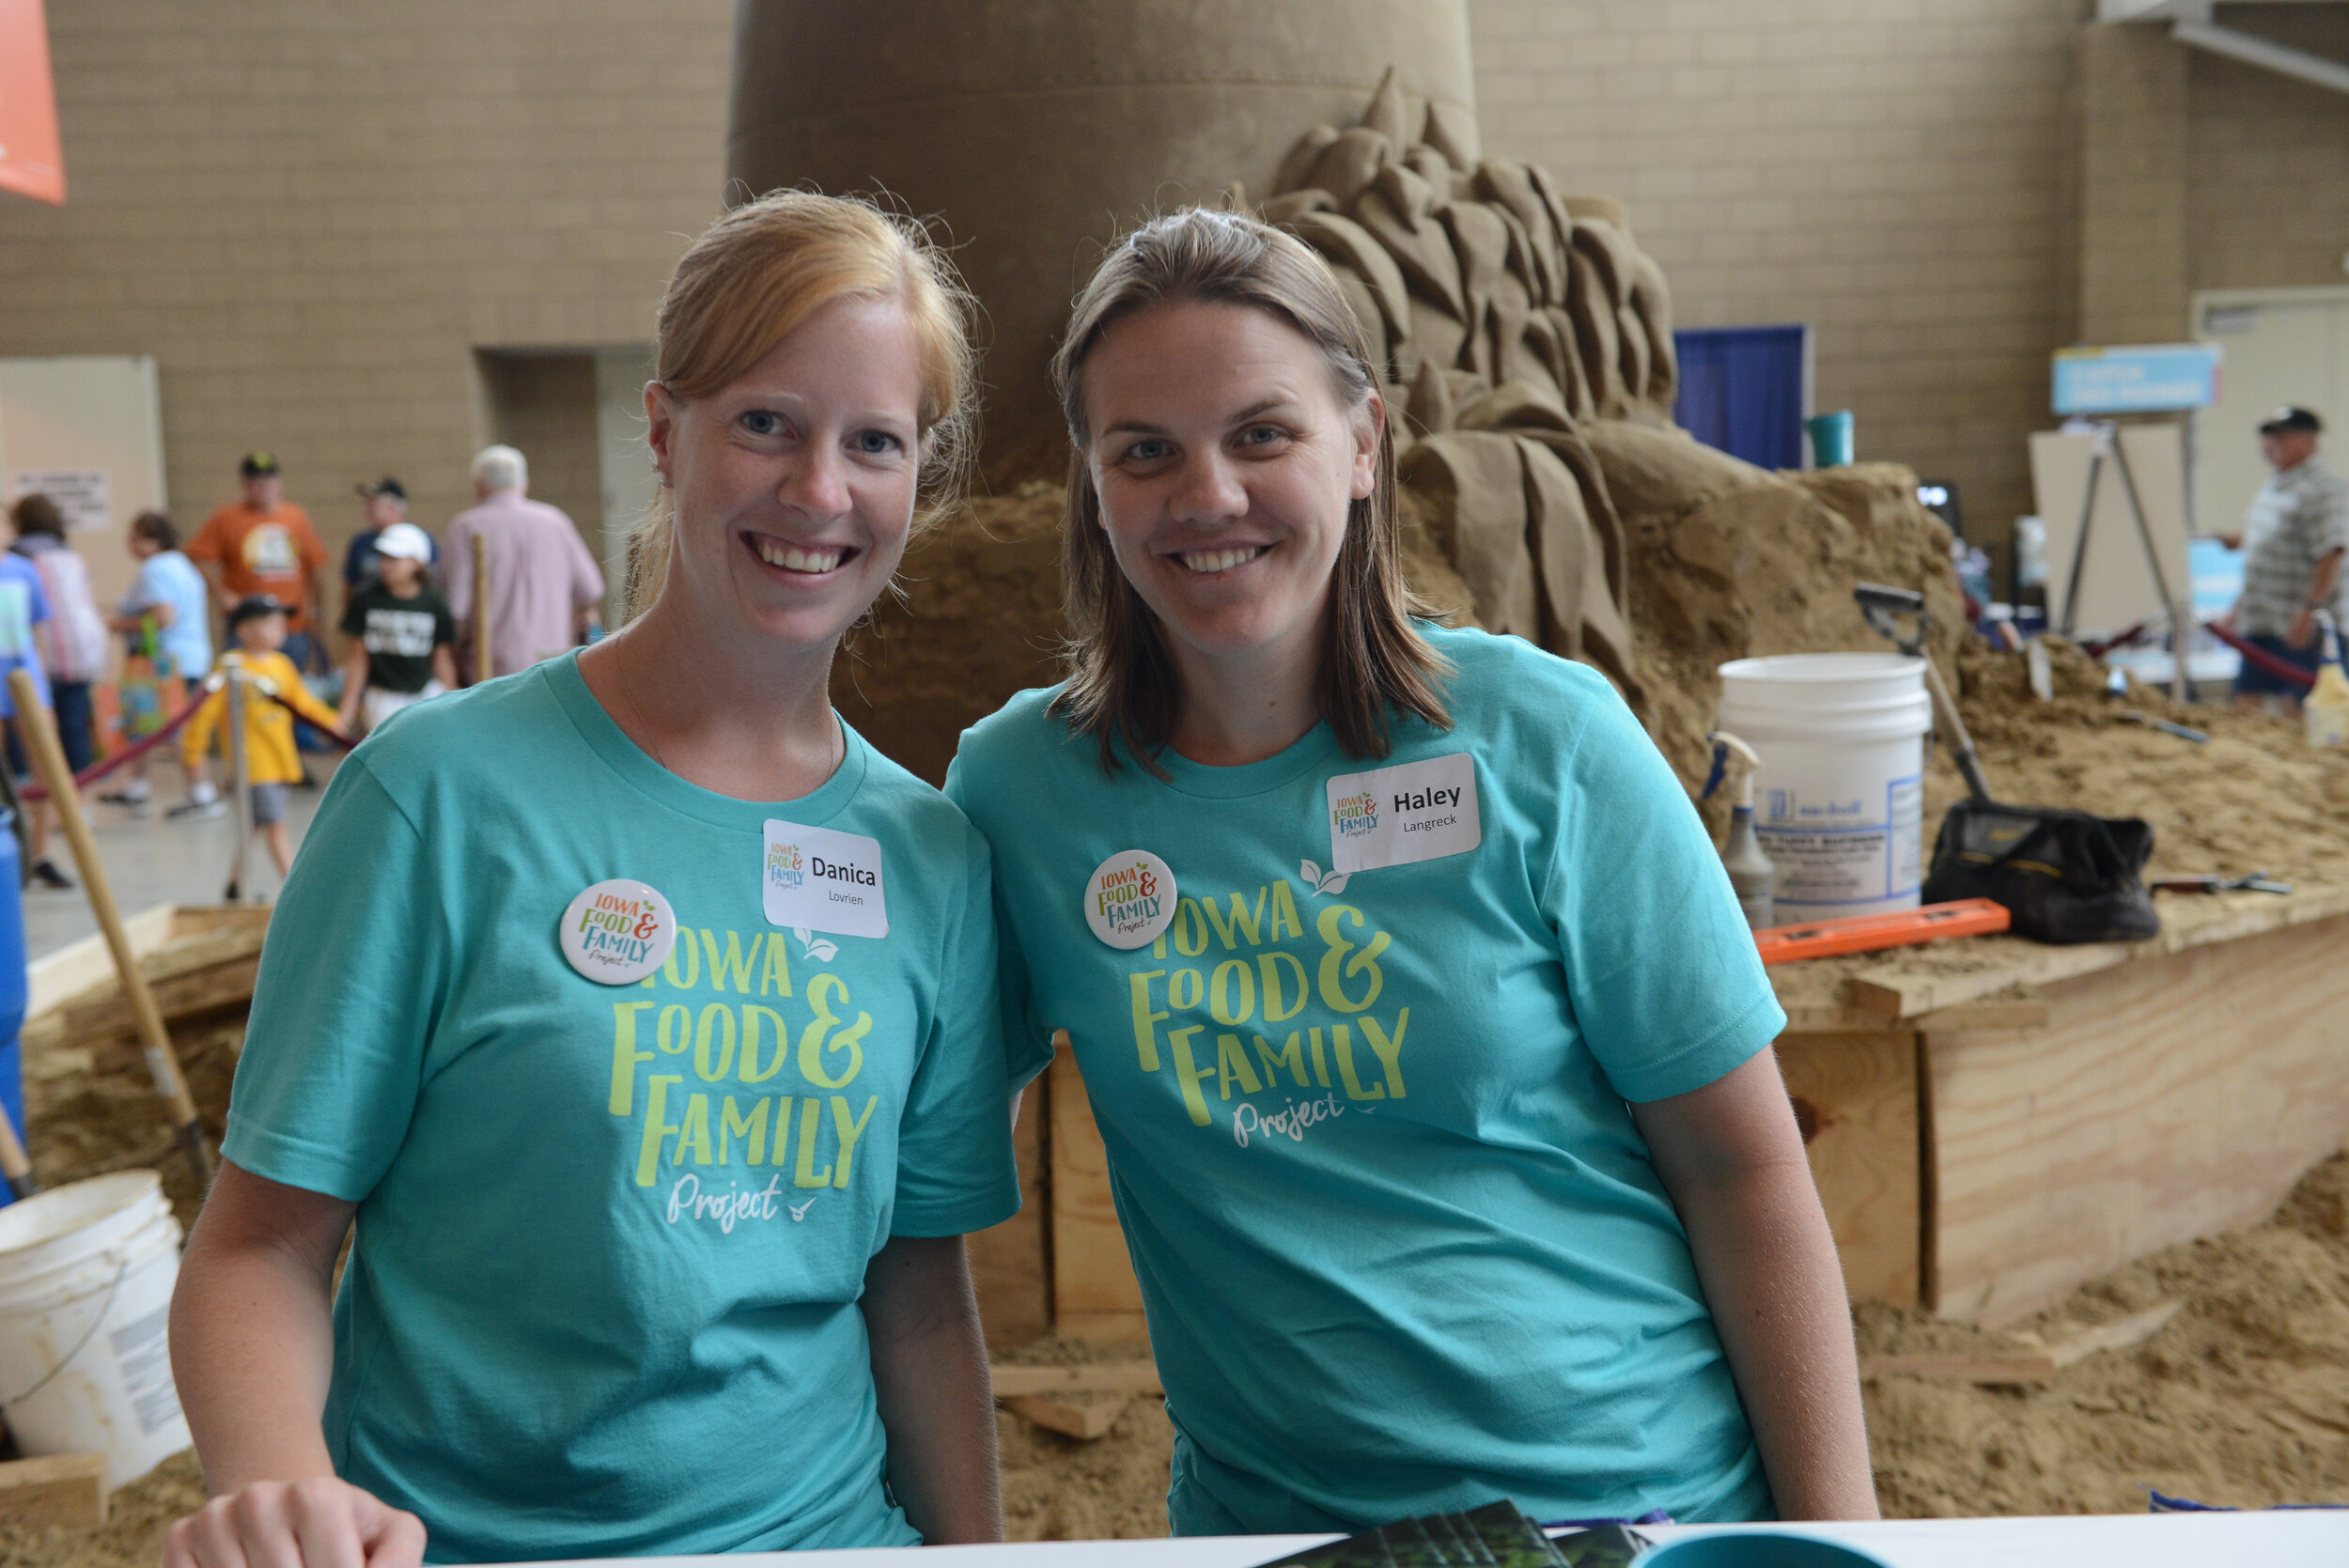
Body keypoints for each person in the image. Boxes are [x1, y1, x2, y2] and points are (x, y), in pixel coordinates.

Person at [946, 210, 1876, 1533]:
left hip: (1623, 1509)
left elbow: (1743, 1172)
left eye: (1262, 434)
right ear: (1094, 486)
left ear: (1365, 443)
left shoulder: (1546, 738)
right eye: (1145, 451)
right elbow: (906, 1157)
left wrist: (1836, 1546)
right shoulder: (1020, 796)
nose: (1206, 494)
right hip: (1284, 1532)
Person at [165, 191, 1016, 1568]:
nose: (819, 490)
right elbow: (257, 1248)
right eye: (766, 424)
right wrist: (282, 1490)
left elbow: (914, 1298)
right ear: (667, 429)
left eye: (876, 443)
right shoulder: (437, 795)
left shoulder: (927, 856)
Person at [178, 595, 344, 899]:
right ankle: (297, 888)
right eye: (269, 623)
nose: (279, 629)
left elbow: (302, 702)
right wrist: (193, 750)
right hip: (254, 765)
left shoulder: (281, 665)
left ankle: (234, 882)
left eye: (281, 623)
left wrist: (333, 724)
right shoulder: (232, 667)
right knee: (275, 827)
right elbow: (205, 714)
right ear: (244, 630)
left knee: (253, 826)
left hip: (281, 761)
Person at [442, 443, 607, 678]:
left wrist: (453, 664)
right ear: (524, 483)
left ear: (478, 486)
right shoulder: (555, 521)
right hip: (552, 664)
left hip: (492, 669)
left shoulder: (466, 527)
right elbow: (591, 590)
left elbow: (456, 610)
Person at [2222, 407, 2349, 712]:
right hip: (2263, 618)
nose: (2272, 443)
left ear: (2311, 440)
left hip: (2299, 623)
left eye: (2283, 436)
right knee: (2247, 700)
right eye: (2268, 437)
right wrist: (2237, 609)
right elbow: (2263, 554)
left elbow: (2332, 552)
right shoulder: (2276, 484)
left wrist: (2309, 609)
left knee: (2302, 705)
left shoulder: (2322, 488)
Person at [101, 511, 214, 816]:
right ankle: (136, 787)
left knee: (177, 729)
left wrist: (119, 624)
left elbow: (164, 617)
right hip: (189, 658)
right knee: (145, 727)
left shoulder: (155, 569)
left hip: (164, 663)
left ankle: (202, 792)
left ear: (155, 540)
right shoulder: (183, 565)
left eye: (136, 537)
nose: (130, 544)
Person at [186, 452, 330, 673]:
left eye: (269, 479)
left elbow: (315, 568)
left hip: (291, 626)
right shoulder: (227, 517)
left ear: (279, 483)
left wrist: (317, 614)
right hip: (248, 625)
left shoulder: (296, 517)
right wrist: (221, 594)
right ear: (245, 484)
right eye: (256, 481)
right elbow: (196, 557)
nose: (263, 486)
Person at [9, 494, 109, 776]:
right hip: (81, 653)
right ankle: (79, 796)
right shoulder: (71, 556)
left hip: (40, 655)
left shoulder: (18, 559)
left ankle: (31, 792)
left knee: (30, 731)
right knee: (74, 727)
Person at [335, 521, 456, 735]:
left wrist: (454, 700)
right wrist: (346, 713)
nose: (385, 565)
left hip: (424, 692)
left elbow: (442, 657)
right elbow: (358, 658)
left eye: (394, 558)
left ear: (416, 562)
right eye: (383, 557)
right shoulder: (366, 598)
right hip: (382, 696)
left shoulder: (434, 602)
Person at [0, 502, 66, 888]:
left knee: (45, 765)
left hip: (25, 677)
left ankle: (41, 851)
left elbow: (39, 628)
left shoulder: (25, 570)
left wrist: (43, 678)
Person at [340, 477, 437, 613]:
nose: (366, 510)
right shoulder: (361, 541)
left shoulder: (420, 540)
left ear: (393, 507)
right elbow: (350, 585)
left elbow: (431, 582)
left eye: (373, 505)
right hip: (370, 614)